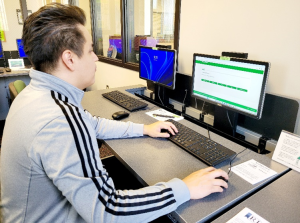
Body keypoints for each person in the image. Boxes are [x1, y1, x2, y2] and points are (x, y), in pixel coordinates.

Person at [0, 3, 228, 223]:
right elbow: (108, 212)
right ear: (69, 59)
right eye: (90, 50)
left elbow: (91, 124)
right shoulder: (59, 119)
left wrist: (144, 129)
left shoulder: (36, 96)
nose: (96, 57)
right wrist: (185, 188)